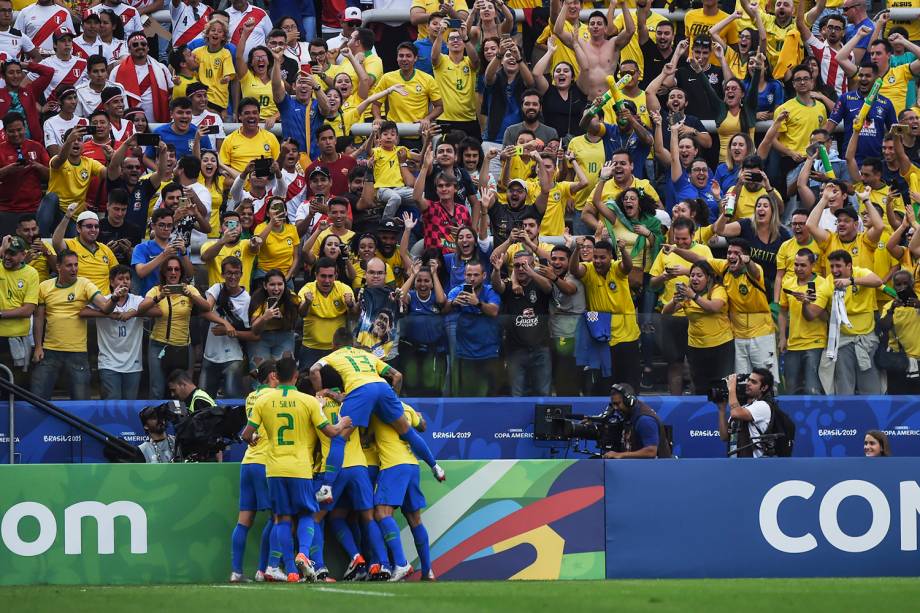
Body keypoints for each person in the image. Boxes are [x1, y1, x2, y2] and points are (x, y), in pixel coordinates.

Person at [308, 327, 445, 508]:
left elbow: (313, 371)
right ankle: (436, 467)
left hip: (359, 390)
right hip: (382, 387)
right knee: (406, 432)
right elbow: (397, 376)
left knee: (339, 438)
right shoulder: (368, 355)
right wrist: (392, 401)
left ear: (334, 345)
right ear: (353, 343)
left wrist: (319, 393)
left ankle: (326, 488)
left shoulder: (333, 356)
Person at [31, 250, 121, 400]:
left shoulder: (84, 284)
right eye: (69, 265)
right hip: (49, 351)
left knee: (81, 400)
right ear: (58, 267)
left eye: (76, 265)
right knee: (37, 398)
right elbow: (39, 318)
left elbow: (105, 308)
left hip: (77, 353)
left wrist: (114, 298)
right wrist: (38, 346)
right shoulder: (44, 286)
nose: (74, 269)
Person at [370, 400, 433, 581]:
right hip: (412, 466)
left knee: (382, 513)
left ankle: (401, 563)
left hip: (393, 465)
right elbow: (422, 426)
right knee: (415, 519)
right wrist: (418, 417)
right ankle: (428, 571)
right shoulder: (405, 406)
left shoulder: (376, 405)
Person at [649, 218, 713, 396]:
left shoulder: (703, 250)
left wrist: (686, 272)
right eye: (677, 239)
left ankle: (697, 401)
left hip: (699, 315)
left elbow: (714, 276)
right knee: (674, 363)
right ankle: (675, 403)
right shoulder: (665, 252)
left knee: (696, 364)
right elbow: (652, 284)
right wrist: (663, 277)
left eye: (685, 238)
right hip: (671, 316)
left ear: (693, 235)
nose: (680, 242)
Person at [570, 237, 641, 392]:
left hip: (627, 335)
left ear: (611, 257)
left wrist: (623, 250)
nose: (598, 261)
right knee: (605, 383)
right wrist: (576, 249)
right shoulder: (588, 269)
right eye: (595, 257)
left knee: (630, 381)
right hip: (602, 336)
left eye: (602, 257)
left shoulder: (616, 268)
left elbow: (628, 267)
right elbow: (574, 270)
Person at [230, 359, 276, 583]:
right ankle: (263, 569)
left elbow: (250, 431)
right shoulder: (274, 397)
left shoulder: (251, 396)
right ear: (273, 376)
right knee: (277, 517)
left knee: (244, 521)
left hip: (247, 462)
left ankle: (236, 572)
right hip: (264, 462)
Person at [661, 258, 734, 394]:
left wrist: (694, 296)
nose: (695, 278)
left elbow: (714, 307)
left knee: (721, 385)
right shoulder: (687, 294)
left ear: (709, 278)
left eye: (699, 276)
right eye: (692, 275)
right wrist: (674, 301)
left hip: (721, 345)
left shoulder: (717, 290)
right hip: (696, 346)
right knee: (700, 385)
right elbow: (666, 312)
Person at [79, 265, 148, 400]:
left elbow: (157, 311)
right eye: (120, 278)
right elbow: (83, 312)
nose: (125, 282)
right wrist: (108, 314)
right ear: (111, 282)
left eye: (127, 278)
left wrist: (132, 313)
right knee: (112, 404)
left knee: (130, 406)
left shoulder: (137, 300)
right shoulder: (104, 300)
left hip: (133, 364)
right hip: (109, 363)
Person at [491, 249, 553, 396]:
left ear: (533, 265)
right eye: (517, 265)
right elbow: (497, 286)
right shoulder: (510, 286)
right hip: (516, 350)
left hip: (540, 349)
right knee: (517, 393)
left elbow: (549, 288)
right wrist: (496, 270)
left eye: (524, 265)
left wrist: (531, 272)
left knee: (543, 392)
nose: (520, 269)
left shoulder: (539, 283)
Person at [823, 249, 883, 395]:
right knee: (844, 387)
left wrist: (851, 281)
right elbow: (819, 306)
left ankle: (873, 417)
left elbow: (878, 281)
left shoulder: (861, 272)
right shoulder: (828, 281)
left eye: (838, 266)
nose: (834, 270)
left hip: (866, 340)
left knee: (871, 388)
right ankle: (846, 417)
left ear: (849, 266)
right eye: (832, 266)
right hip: (842, 341)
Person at [442, 260, 502, 395]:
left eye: (476, 275)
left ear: (484, 275)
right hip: (465, 352)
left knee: (490, 395)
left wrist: (478, 303)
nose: (472, 278)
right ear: (464, 275)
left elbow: (494, 311)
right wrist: (453, 304)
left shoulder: (490, 290)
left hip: (489, 352)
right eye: (469, 275)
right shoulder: (458, 290)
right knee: (467, 393)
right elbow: (443, 310)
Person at [201, 256, 259, 399]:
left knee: (232, 401)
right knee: (203, 400)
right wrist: (225, 324)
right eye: (229, 273)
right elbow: (205, 310)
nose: (233, 277)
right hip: (210, 355)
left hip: (233, 357)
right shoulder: (217, 288)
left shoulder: (247, 300)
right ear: (223, 274)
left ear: (241, 274)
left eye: (236, 273)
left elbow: (254, 335)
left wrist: (230, 332)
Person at [777, 249, 831, 395]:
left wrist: (807, 304)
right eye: (796, 265)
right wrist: (782, 337)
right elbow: (782, 311)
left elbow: (824, 316)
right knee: (791, 390)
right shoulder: (787, 283)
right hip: (793, 344)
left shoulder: (822, 284)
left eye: (803, 265)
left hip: (815, 343)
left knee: (812, 389)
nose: (798, 269)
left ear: (812, 265)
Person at [298, 257, 358, 367]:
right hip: (311, 348)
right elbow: (301, 313)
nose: (327, 281)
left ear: (336, 276)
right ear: (316, 275)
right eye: (323, 276)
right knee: (306, 382)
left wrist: (350, 304)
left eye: (330, 276)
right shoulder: (307, 289)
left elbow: (354, 315)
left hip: (337, 349)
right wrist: (307, 303)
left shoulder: (344, 288)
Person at [0, 112, 49, 236]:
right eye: (11, 131)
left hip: (35, 208)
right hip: (7, 209)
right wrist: (8, 170)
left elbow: (51, 175)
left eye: (19, 130)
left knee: (36, 250)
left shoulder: (37, 147)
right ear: (5, 131)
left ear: (25, 127)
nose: (16, 134)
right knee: (9, 250)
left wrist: (37, 166)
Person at [0, 237, 39, 386]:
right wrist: (2, 248)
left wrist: (1, 314)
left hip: (17, 339)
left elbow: (27, 310)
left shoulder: (31, 274)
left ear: (23, 255)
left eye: (13, 254)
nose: (8, 257)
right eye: (6, 253)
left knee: (15, 388)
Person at [600, 383, 671, 459]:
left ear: (629, 401)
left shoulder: (644, 420)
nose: (615, 408)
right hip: (635, 467)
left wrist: (620, 455)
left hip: (654, 468)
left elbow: (651, 452)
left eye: (618, 403)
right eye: (613, 404)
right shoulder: (628, 414)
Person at [878, 270, 920, 393]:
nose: (902, 287)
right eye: (898, 284)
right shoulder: (889, 306)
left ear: (912, 285)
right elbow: (883, 327)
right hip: (899, 361)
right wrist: (892, 310)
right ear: (894, 287)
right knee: (898, 400)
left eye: (905, 284)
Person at [718, 369, 776, 458]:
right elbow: (724, 436)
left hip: (754, 464)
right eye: (748, 380)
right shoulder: (744, 407)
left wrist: (731, 389)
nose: (748, 383)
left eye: (754, 382)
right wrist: (721, 409)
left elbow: (735, 413)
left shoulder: (763, 405)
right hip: (735, 462)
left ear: (764, 388)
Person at [218, 97, 281, 173]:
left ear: (259, 115)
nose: (251, 116)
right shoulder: (229, 140)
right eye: (247, 113)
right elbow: (224, 171)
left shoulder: (271, 138)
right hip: (238, 183)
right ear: (240, 116)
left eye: (255, 113)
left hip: (265, 183)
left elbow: (278, 167)